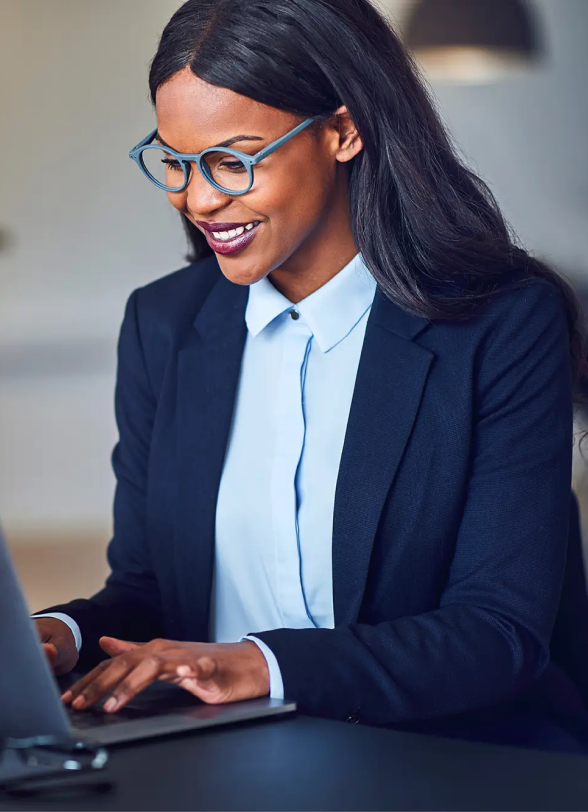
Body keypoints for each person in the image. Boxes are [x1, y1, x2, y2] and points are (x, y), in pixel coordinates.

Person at [34, 0, 588, 753]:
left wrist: (261, 665)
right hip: (224, 755)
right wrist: (57, 635)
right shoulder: (164, 326)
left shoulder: (501, 326)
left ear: (343, 129)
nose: (199, 199)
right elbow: (151, 593)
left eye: (234, 158)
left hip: (445, 754)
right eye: (176, 161)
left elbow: (498, 633)